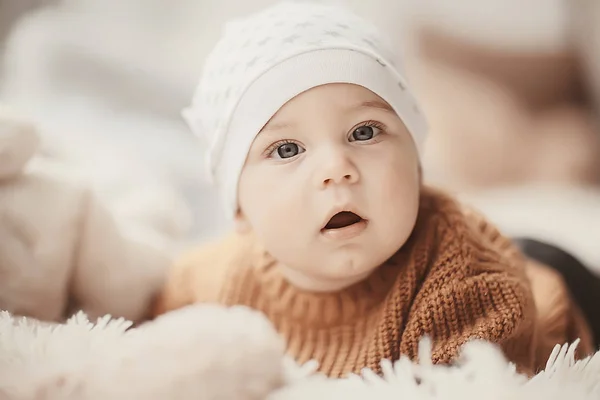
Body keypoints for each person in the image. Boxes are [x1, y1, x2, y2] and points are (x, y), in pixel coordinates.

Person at [152, 1, 594, 377]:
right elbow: (164, 317)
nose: (336, 169)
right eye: (287, 149)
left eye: (364, 132)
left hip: (560, 289)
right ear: (239, 210)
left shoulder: (469, 290)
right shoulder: (214, 281)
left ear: (417, 165)